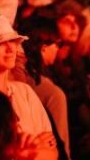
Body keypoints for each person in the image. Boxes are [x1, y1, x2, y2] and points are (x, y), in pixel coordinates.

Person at [0, 15, 57, 158]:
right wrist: (33, 149)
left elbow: (51, 145)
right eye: (0, 43)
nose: (10, 49)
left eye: (12, 41)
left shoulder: (24, 92)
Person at [18, 16, 71, 159]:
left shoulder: (23, 80)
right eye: (58, 43)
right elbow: (60, 138)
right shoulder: (50, 92)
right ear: (44, 47)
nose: (58, 49)